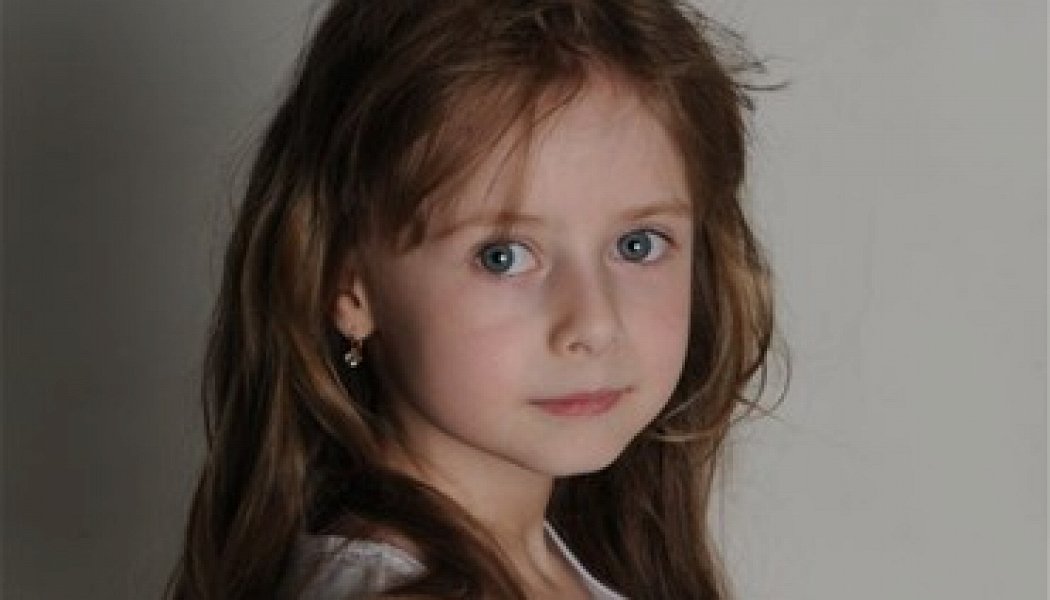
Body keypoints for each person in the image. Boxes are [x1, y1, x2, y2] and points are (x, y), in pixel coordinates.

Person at [166, 0, 785, 598]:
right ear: (348, 286)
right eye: (503, 256)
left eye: (638, 245)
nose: (595, 324)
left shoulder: (549, 564)